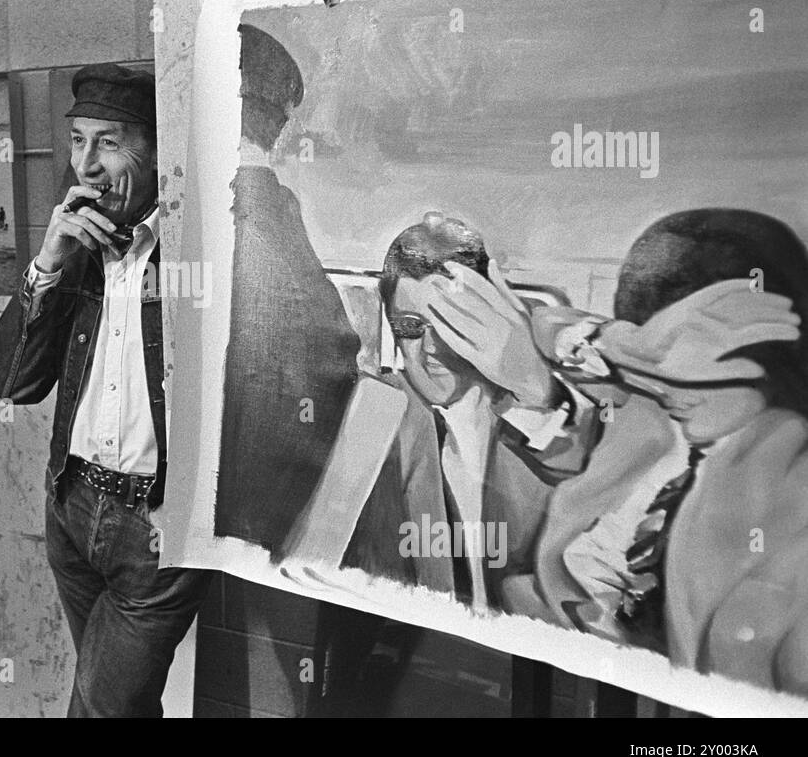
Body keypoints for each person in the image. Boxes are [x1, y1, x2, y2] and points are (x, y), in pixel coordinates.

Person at [0, 63, 210, 717]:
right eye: (78, 140)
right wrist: (47, 262)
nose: (86, 162)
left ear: (156, 149)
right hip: (71, 506)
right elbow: (14, 382)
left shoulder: (202, 252)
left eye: (108, 142)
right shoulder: (77, 244)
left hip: (158, 529)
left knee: (99, 708)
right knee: (124, 706)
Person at [513, 209, 808, 695]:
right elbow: (548, 323)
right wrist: (616, 344)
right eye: (649, 357)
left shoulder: (781, 474)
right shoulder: (650, 415)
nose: (669, 385)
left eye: (695, 363)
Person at [336, 215, 602, 608]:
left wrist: (536, 390)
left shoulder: (541, 419)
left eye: (450, 323)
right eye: (411, 326)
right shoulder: (377, 412)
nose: (431, 349)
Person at [214, 24, 363, 559]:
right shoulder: (271, 206)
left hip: (237, 514)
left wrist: (241, 522)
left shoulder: (247, 209)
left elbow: (318, 351)